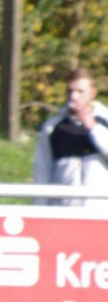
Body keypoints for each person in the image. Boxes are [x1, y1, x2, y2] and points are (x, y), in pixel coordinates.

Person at [33, 67, 108, 207]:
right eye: (70, 91)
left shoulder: (105, 121)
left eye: (80, 91)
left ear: (92, 93)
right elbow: (42, 173)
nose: (74, 97)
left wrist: (93, 127)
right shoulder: (52, 128)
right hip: (65, 210)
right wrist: (39, 211)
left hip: (101, 211)